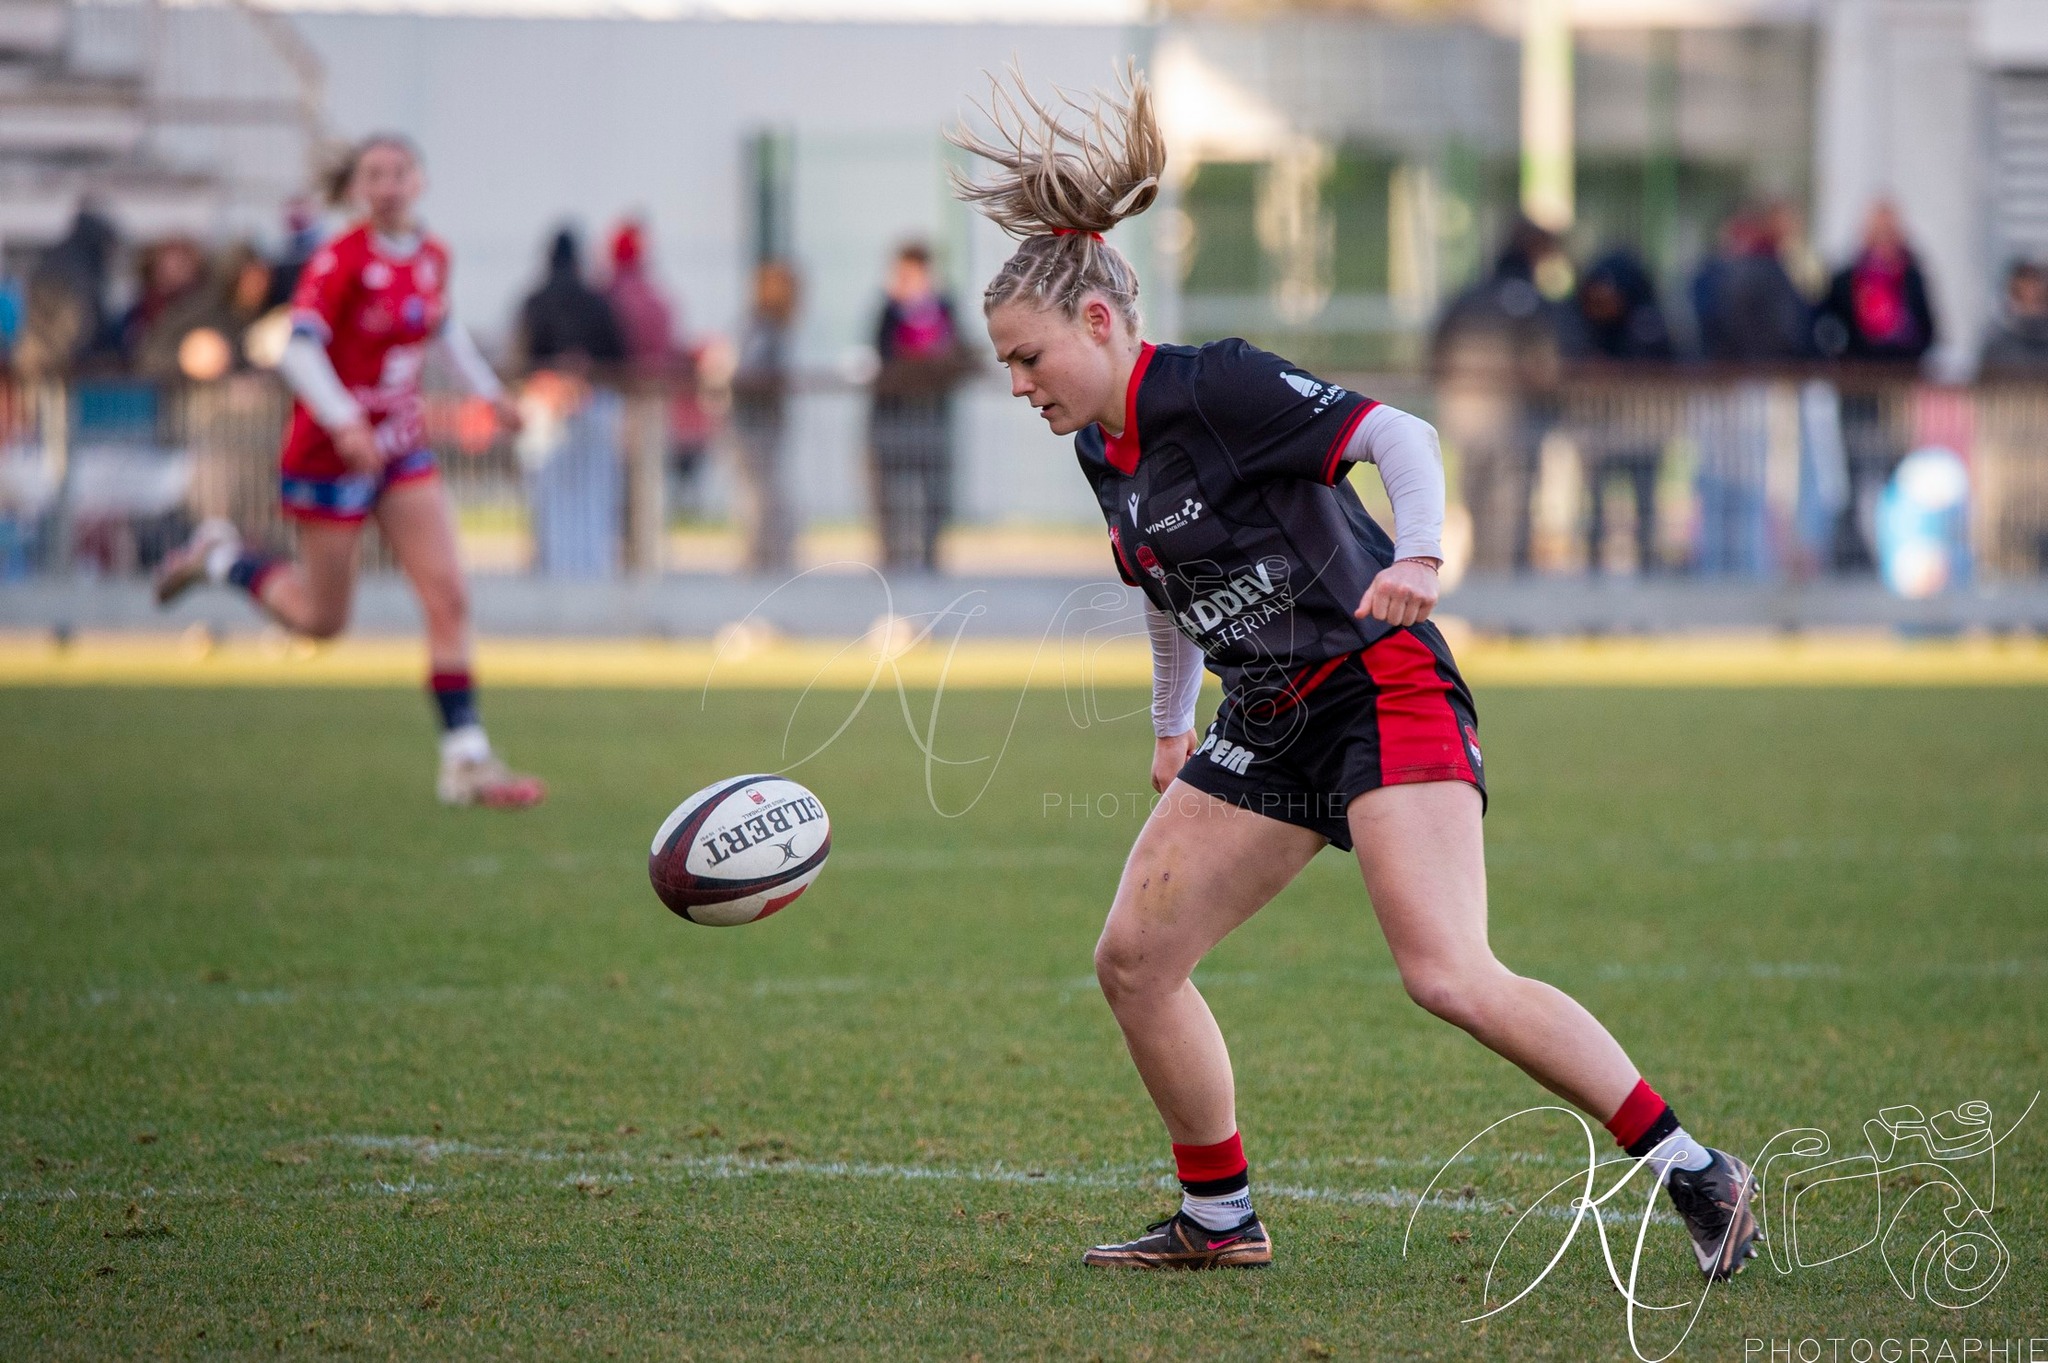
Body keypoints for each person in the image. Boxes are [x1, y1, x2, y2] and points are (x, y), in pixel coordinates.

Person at [948, 64, 1759, 1277]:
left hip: (1381, 685)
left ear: (1101, 322)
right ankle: (1218, 1219)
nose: (1018, 386)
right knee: (1134, 958)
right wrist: (1171, 721)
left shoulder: (1213, 383)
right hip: (1265, 719)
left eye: (1025, 357)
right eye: (1006, 366)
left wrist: (1421, 551)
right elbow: (1161, 585)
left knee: (1446, 973)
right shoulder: (1099, 445)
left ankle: (1698, 1172)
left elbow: (1401, 434)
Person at [153, 134, 544, 808]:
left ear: (420, 181)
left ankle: (466, 760)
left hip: (398, 446)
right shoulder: (340, 260)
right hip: (329, 452)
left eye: (399, 172)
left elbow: (441, 331)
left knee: (448, 592)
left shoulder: (432, 255)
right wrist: (344, 422)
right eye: (374, 175)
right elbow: (299, 354)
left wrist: (487, 392)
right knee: (322, 621)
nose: (388, 184)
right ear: (358, 189)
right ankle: (221, 558)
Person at [1429, 218, 1571, 574]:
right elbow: (1547, 365)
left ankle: (1483, 583)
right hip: (1513, 417)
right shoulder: (1528, 300)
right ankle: (1507, 593)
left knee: (1477, 502)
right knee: (1513, 508)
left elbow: (1436, 351)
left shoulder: (1470, 295)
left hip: (1466, 414)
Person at [868, 242, 972, 572]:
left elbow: (959, 352)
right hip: (893, 413)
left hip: (932, 413)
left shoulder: (944, 307)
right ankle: (892, 554)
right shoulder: (887, 309)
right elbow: (882, 352)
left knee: (933, 488)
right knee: (890, 490)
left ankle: (929, 553)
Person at [1571, 247, 1674, 574]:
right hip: (1599, 430)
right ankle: (1593, 575)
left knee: (1645, 510)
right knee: (1594, 512)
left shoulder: (1649, 324)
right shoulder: (1583, 327)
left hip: (1643, 429)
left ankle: (1647, 574)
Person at [729, 259, 800, 572]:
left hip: (756, 429)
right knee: (762, 506)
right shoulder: (763, 327)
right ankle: (761, 568)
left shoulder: (761, 326)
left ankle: (767, 564)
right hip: (753, 430)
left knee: (767, 505)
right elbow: (750, 373)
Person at [1816, 200, 1936, 366]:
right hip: (1859, 373)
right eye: (1878, 232)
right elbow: (1827, 325)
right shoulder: (1845, 280)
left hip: (1904, 370)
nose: (1884, 240)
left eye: (1888, 232)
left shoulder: (1911, 277)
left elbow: (1928, 328)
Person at [1978, 260, 2048, 378]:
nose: (2030, 292)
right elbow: (1986, 389)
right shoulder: (1997, 344)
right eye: (2024, 289)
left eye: (2035, 288)